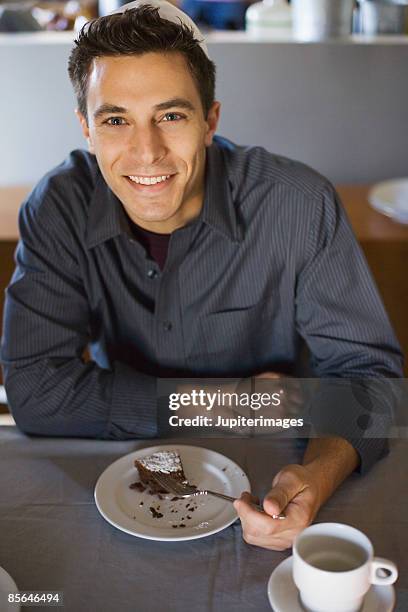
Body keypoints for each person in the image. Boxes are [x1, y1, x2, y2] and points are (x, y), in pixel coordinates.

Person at [0, 2, 402, 551]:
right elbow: (34, 391)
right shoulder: (59, 207)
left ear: (210, 121)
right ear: (87, 130)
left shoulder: (299, 204)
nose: (147, 152)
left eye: (171, 115)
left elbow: (371, 381)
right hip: (123, 475)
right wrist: (230, 401)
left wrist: (316, 476)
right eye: (116, 120)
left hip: (282, 458)